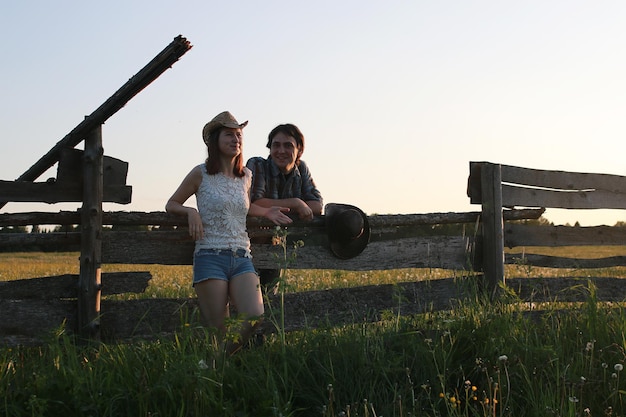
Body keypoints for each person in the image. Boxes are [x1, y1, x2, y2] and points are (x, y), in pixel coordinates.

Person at [165, 111, 292, 355]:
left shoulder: (245, 176)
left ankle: (213, 363)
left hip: (242, 255)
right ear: (215, 140)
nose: (236, 139)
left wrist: (265, 212)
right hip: (209, 255)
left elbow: (243, 207)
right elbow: (172, 203)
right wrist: (191, 212)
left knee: (255, 315)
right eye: (229, 134)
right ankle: (217, 375)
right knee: (219, 330)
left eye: (239, 135)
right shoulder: (199, 174)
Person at [246, 123, 323, 288]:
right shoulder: (257, 165)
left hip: (276, 245)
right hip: (248, 244)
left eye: (288, 145)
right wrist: (296, 203)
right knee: (246, 299)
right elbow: (254, 202)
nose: (281, 151)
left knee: (269, 297)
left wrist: (300, 205)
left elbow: (317, 205)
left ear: (299, 151)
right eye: (276, 145)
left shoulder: (301, 169)